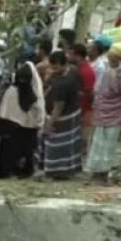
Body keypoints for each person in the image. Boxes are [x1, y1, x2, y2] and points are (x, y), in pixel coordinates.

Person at [87, 43, 121, 183]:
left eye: (112, 56)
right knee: (98, 142)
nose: (109, 57)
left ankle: (103, 173)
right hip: (102, 109)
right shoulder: (108, 68)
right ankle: (95, 170)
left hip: (116, 112)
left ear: (119, 58)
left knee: (108, 143)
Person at [0, 61, 45, 179]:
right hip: (27, 129)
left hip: (12, 129)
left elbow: (4, 112)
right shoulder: (33, 94)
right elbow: (38, 113)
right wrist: (38, 122)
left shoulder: (11, 91)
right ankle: (23, 171)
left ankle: (10, 172)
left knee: (9, 150)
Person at [41, 50, 84, 179]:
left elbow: (58, 108)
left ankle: (58, 171)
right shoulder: (73, 70)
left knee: (57, 146)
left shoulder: (62, 84)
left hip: (63, 117)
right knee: (70, 145)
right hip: (73, 112)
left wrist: (50, 123)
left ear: (64, 64)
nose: (53, 69)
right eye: (51, 66)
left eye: (56, 67)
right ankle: (69, 169)